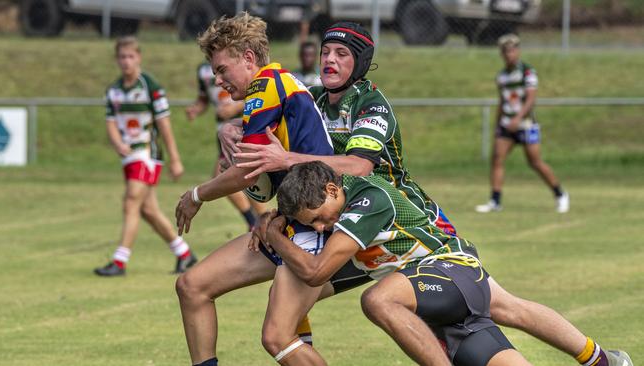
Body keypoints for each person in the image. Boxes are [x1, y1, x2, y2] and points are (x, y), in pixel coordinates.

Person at [233, 23, 632, 366]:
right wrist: (236, 135)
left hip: (396, 218)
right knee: (296, 289)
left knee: (494, 305)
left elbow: (358, 167)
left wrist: (280, 170)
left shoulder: (370, 102)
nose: (330, 60)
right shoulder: (315, 103)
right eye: (325, 52)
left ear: (361, 61)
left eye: (342, 53)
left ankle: (597, 357)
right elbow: (285, 149)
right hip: (357, 227)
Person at [173, 13, 334, 366]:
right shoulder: (277, 85)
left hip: (317, 226)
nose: (218, 81)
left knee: (279, 336)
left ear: (248, 58)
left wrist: (196, 195)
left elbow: (247, 174)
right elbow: (262, 179)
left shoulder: (266, 83)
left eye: (222, 69)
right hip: (294, 222)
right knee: (192, 286)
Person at [262, 161, 531, 365]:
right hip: (439, 302)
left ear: (332, 189)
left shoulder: (367, 198)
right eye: (310, 224)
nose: (319, 228)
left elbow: (315, 272)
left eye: (318, 218)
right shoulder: (339, 212)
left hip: (451, 271)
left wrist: (274, 234)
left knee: (378, 300)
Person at [94, 36, 197, 277]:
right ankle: (185, 254)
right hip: (128, 156)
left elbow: (164, 124)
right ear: (117, 60)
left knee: (131, 200)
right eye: (122, 57)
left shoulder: (150, 86)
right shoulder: (114, 91)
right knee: (148, 210)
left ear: (138, 57)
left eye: (130, 56)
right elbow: (110, 123)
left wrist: (175, 158)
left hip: (147, 154)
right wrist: (117, 142)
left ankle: (119, 262)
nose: (126, 62)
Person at [476, 33, 569, 213]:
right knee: (497, 159)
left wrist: (517, 119)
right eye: (505, 51)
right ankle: (495, 201)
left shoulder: (527, 72)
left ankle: (560, 194)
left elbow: (530, 99)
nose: (509, 54)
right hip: (506, 124)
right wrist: (498, 124)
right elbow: (502, 102)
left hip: (526, 124)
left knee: (534, 162)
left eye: (512, 50)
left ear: (517, 51)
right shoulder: (501, 76)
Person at [185, 61, 267, 230]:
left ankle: (256, 222)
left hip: (242, 129)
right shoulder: (202, 71)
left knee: (224, 175)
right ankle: (262, 221)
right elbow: (204, 99)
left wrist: (235, 107)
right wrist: (196, 109)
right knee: (242, 178)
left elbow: (261, 93)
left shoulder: (237, 63)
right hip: (222, 134)